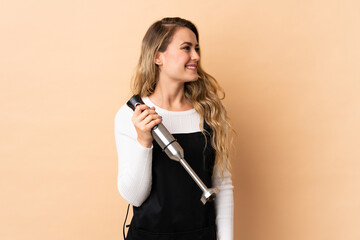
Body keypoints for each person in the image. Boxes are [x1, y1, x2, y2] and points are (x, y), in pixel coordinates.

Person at [115, 17, 234, 240]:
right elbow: (134, 197)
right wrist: (144, 140)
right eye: (186, 48)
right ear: (157, 57)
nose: (196, 56)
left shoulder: (211, 113)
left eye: (196, 48)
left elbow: (222, 185)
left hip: (200, 234)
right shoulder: (132, 115)